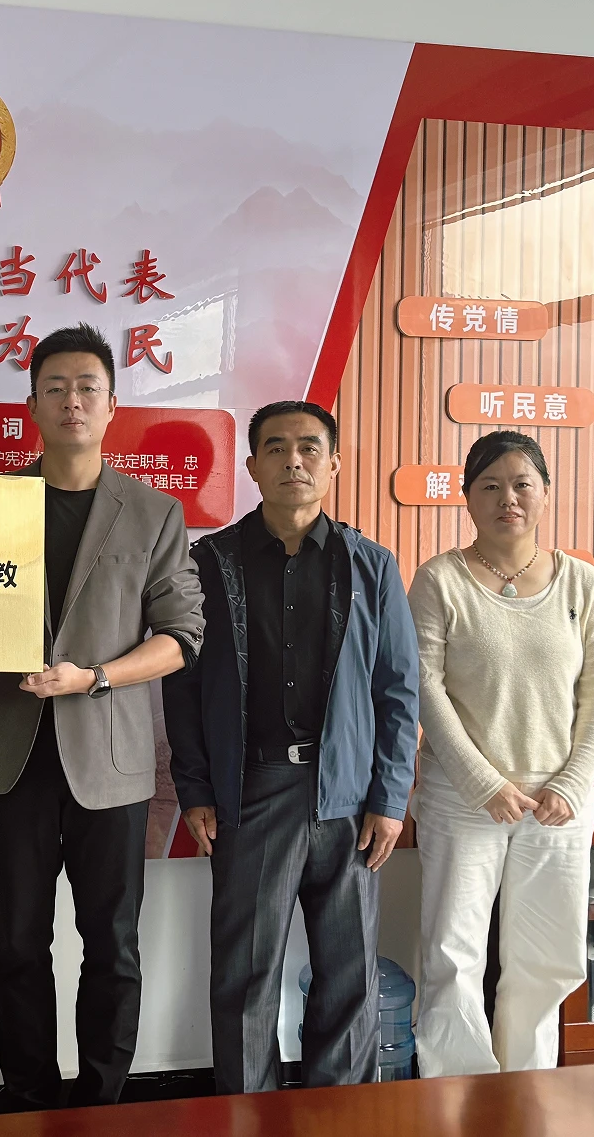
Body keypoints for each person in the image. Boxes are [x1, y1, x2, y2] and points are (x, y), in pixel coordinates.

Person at [0, 323, 204, 1111]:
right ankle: (27, 1099)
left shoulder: (154, 513)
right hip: (11, 757)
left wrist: (95, 677)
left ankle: (103, 1104)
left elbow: (181, 638)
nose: (72, 401)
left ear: (112, 405)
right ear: (31, 405)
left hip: (110, 762)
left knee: (114, 947)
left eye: (87, 388)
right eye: (56, 388)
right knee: (18, 944)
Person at [162, 399, 419, 1094]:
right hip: (252, 790)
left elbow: (399, 690)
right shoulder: (211, 563)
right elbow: (182, 686)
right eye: (276, 448)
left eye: (309, 448)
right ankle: (247, 1113)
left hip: (350, 796)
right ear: (252, 466)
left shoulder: (371, 566)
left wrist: (390, 798)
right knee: (245, 974)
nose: (293, 461)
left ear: (333, 464)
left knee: (348, 973)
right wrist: (195, 789)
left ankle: (338, 1114)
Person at [409, 431, 594, 1075]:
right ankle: (455, 1092)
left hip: (558, 803)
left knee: (548, 957)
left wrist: (573, 782)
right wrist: (483, 783)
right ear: (467, 498)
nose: (509, 499)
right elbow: (424, 687)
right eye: (491, 486)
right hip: (464, 799)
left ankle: (527, 1090)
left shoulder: (581, 583)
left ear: (545, 494)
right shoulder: (440, 580)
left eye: (523, 484)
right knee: (452, 955)